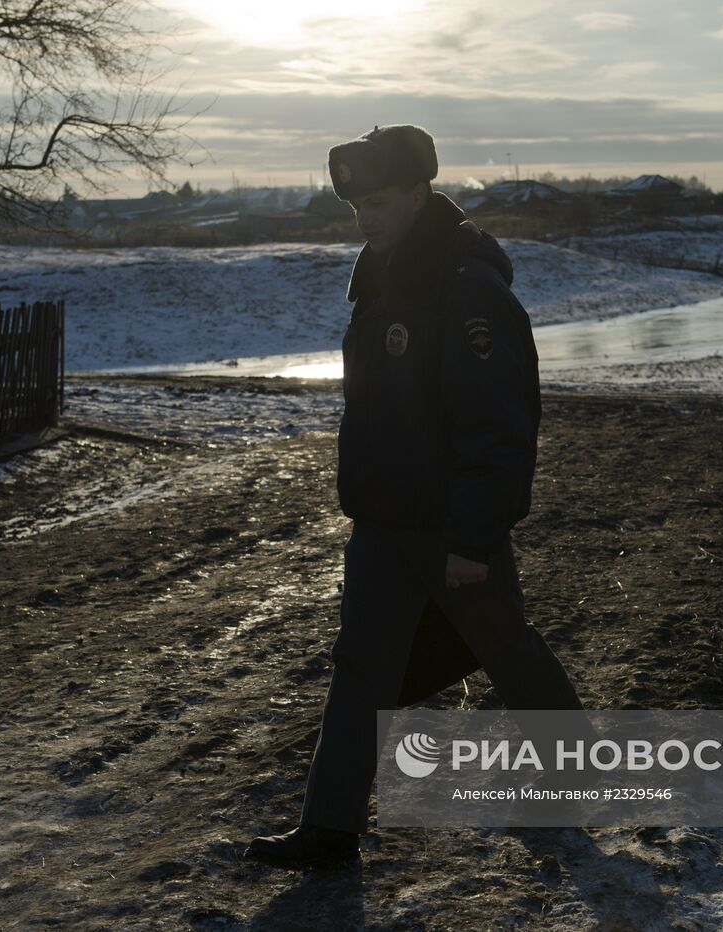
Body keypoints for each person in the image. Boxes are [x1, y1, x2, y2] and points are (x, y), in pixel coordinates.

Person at [244, 124, 586, 870]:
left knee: (508, 650)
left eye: (379, 201)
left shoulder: (465, 287)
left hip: (448, 524)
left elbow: (498, 425)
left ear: (419, 190)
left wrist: (473, 536)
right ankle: (329, 828)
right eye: (357, 206)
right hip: (382, 521)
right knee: (360, 668)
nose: (366, 218)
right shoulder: (382, 279)